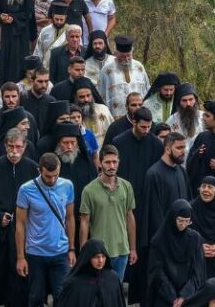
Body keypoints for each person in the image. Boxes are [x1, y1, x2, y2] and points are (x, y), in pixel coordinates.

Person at [0, 129, 37, 307]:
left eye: (18, 146)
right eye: (11, 146)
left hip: (24, 235)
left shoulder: (33, 169)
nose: (14, 151)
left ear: (25, 147)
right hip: (0, 235)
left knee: (20, 279)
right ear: (5, 146)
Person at [134, 131, 189, 306]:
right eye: (179, 148)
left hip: (181, 244)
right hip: (163, 246)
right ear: (167, 148)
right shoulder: (154, 174)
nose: (183, 151)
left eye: (184, 147)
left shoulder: (181, 171)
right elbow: (154, 216)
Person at [16, 153, 78, 307]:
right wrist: (20, 257)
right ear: (39, 171)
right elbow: (20, 224)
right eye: (47, 176)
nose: (52, 180)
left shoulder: (67, 186)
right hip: (36, 252)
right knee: (36, 298)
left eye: (55, 175)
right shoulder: (26, 190)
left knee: (62, 297)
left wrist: (72, 248)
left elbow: (70, 218)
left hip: (60, 251)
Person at [78, 145, 137, 282]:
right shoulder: (89, 190)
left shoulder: (126, 186)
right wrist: (84, 252)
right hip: (99, 253)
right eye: (107, 162)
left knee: (116, 291)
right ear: (100, 163)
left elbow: (130, 217)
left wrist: (133, 248)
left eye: (114, 162)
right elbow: (84, 221)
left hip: (122, 250)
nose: (111, 166)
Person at [147, 200, 206, 307]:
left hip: (189, 296)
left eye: (187, 221)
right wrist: (173, 297)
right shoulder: (159, 241)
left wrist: (184, 295)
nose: (183, 225)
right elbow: (157, 272)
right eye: (180, 220)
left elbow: (198, 271)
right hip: (163, 296)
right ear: (173, 218)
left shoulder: (195, 239)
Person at [0, 0, 39, 85]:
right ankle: (6, 86)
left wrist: (14, 18)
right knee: (7, 60)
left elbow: (29, 15)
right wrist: (2, 17)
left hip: (22, 33)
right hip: (8, 33)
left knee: (21, 59)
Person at [54, 238, 126, 307]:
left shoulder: (112, 278)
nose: (100, 260)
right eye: (96, 257)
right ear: (88, 257)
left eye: (103, 256)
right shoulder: (74, 284)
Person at [98, 36, 151, 119]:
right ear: (116, 54)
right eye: (122, 56)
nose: (126, 59)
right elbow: (101, 95)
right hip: (116, 115)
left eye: (128, 56)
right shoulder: (106, 70)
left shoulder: (139, 67)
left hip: (139, 116)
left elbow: (147, 90)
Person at [74, 78, 114, 147]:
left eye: (88, 95)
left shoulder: (103, 110)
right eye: (81, 97)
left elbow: (112, 133)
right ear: (75, 97)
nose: (86, 100)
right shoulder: (72, 115)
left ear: (92, 95)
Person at [167, 84, 202, 154]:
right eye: (184, 100)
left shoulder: (204, 117)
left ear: (195, 100)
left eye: (191, 99)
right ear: (179, 102)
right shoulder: (172, 120)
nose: (188, 104)